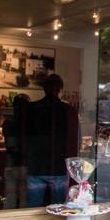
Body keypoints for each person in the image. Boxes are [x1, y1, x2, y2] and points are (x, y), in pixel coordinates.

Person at [24, 74, 78, 207]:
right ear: (60, 89)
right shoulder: (68, 110)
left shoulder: (31, 109)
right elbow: (74, 140)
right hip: (58, 166)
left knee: (33, 209)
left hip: (35, 165)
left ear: (44, 88)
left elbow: (24, 138)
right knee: (58, 209)